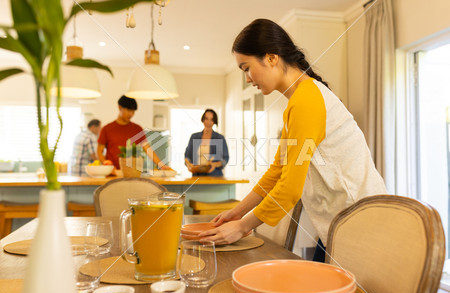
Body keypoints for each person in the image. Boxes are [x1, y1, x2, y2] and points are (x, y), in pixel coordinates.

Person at [199, 19, 387, 262]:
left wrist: (242, 226)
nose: (247, 78)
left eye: (246, 68)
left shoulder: (307, 100)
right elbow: (277, 171)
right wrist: (236, 213)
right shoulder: (298, 102)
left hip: (359, 224)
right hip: (340, 223)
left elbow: (290, 188)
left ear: (271, 58)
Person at [97, 95, 171, 171]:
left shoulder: (137, 129)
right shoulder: (107, 129)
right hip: (112, 172)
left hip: (132, 172)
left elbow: (147, 149)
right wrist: (105, 162)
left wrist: (161, 165)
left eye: (133, 111)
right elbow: (99, 151)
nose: (131, 114)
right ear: (120, 107)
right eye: (129, 110)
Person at [184, 109, 229, 176]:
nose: (208, 122)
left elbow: (225, 158)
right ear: (203, 120)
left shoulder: (220, 138)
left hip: (214, 175)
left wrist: (215, 164)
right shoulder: (194, 137)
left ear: (214, 122)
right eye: (206, 119)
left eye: (211, 120)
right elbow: (187, 156)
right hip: (197, 175)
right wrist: (188, 164)